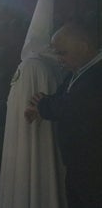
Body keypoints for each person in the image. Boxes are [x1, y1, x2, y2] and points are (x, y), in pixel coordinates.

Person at [25, 23, 102, 207]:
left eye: (62, 53)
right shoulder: (79, 71)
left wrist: (42, 105)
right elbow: (63, 96)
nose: (59, 59)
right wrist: (46, 101)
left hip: (94, 169)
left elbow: (73, 105)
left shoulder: (96, 75)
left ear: (83, 47)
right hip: (79, 166)